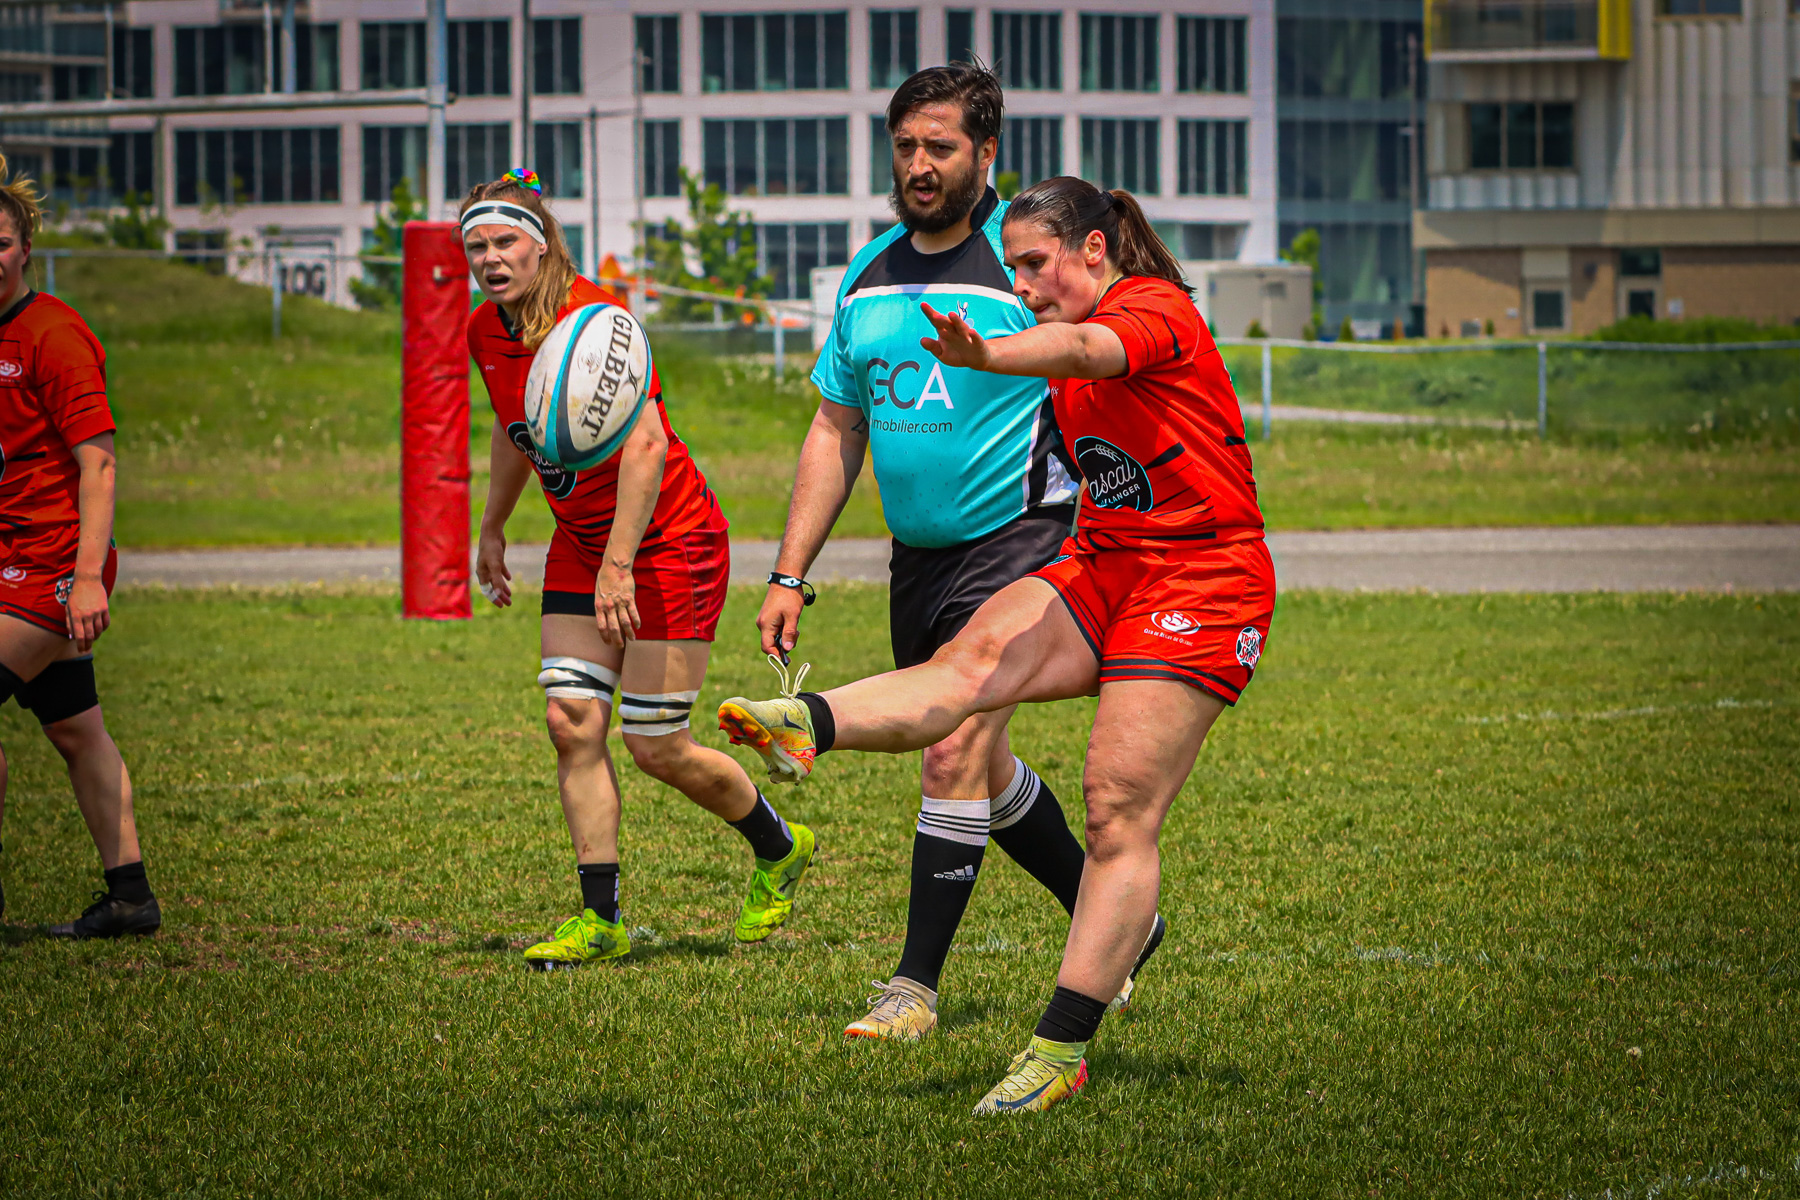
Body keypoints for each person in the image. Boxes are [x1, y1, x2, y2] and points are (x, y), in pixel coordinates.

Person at [721, 176, 1274, 1113]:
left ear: (1093, 251)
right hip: (1104, 565)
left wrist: (990, 351)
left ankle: (1060, 1049)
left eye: (1035, 264)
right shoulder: (1041, 324)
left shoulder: (1153, 308)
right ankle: (804, 719)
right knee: (963, 674)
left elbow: (1088, 346)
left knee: (1114, 808)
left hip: (1200, 582)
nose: (1021, 282)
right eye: (1011, 265)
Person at [757, 62, 1158, 1041]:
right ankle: (1125, 922)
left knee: (952, 747)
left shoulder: (1026, 276)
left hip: (1024, 542)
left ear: (986, 154)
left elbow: (1117, 372)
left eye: (940, 146)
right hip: (918, 560)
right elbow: (835, 429)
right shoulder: (867, 276)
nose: (919, 165)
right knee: (981, 764)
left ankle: (912, 990)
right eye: (905, 146)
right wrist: (787, 571)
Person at [464, 169, 814, 969]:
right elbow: (513, 430)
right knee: (570, 720)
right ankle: (601, 918)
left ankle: (780, 845)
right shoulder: (488, 331)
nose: (490, 258)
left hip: (670, 546)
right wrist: (492, 526)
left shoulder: (600, 320)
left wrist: (618, 565)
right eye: (477, 245)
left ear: (542, 241)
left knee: (656, 743)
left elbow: (648, 444)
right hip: (581, 544)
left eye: (504, 241)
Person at [0, 155, 158, 938]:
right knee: (73, 727)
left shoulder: (53, 334)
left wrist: (87, 578)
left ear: (24, 246)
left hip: (51, 567)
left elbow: (97, 463)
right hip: (6, 564)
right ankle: (130, 897)